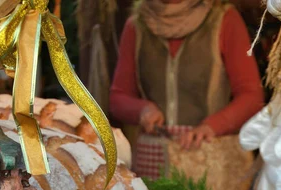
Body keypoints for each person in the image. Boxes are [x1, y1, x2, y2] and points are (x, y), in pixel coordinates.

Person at [109, 0, 264, 178]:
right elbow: (118, 98)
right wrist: (142, 110)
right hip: (153, 162)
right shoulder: (137, 25)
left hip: (211, 158)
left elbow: (251, 96)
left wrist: (213, 125)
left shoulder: (223, 19)